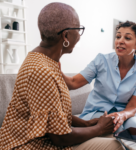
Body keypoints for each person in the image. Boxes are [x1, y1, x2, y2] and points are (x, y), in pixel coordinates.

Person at [0, 2, 124, 150]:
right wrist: (99, 129)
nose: (79, 35)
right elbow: (59, 137)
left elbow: (51, 113)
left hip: (48, 138)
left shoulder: (44, 60)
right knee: (116, 145)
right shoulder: (42, 72)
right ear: (65, 36)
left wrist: (87, 123)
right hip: (31, 145)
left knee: (117, 136)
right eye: (79, 30)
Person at [61, 21, 136, 134]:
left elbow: (133, 106)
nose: (120, 41)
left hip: (126, 112)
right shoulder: (101, 60)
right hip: (97, 110)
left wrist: (121, 115)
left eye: (127, 38)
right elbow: (73, 82)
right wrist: (56, 67)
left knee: (134, 130)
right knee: (116, 129)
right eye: (118, 36)